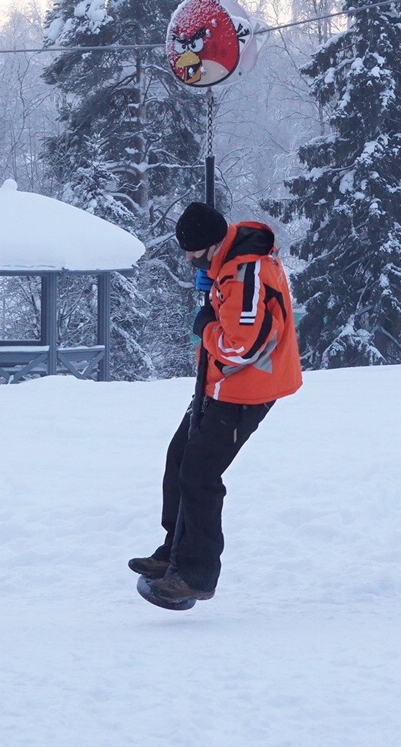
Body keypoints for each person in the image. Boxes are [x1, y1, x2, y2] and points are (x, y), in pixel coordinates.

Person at [131, 201, 303, 611]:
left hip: (248, 389)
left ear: (211, 245)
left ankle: (196, 575)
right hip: (220, 385)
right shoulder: (226, 262)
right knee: (179, 458)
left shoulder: (245, 274)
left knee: (200, 474)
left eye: (192, 252)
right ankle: (174, 551)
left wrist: (206, 326)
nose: (188, 259)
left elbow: (241, 346)